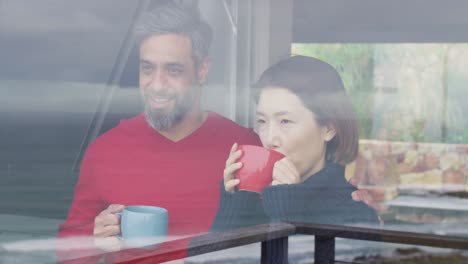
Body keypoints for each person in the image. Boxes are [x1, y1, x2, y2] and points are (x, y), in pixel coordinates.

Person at [57, 3, 260, 263]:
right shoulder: (106, 150)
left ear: (202, 70)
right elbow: (69, 252)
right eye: (147, 69)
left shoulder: (244, 147)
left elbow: (279, 236)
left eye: (173, 70)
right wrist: (93, 240)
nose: (157, 85)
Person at [212, 56, 379, 232]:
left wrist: (288, 212)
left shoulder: (356, 212)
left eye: (285, 121)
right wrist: (234, 204)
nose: (269, 139)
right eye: (262, 121)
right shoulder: (252, 200)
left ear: (329, 129)